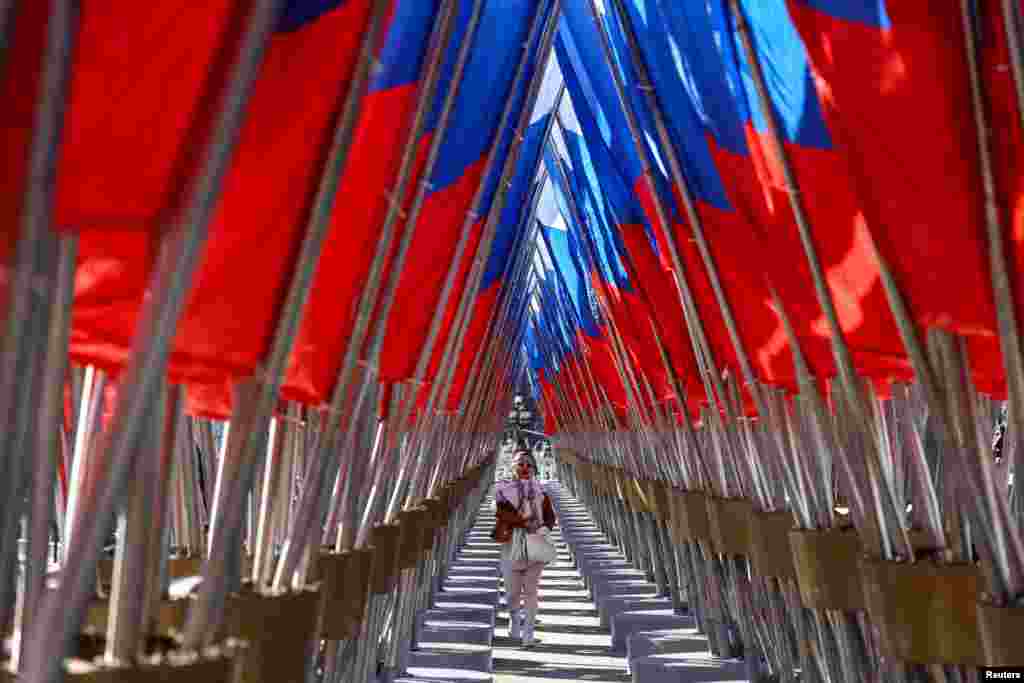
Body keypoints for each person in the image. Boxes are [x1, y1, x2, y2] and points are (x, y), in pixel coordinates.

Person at [494, 450, 556, 648]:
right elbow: (501, 514)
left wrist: (544, 528)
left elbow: (549, 517)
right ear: (513, 466)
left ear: (534, 468)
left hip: (535, 544)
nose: (525, 468)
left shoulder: (541, 492)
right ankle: (514, 617)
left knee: (531, 590)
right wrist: (522, 521)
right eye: (521, 464)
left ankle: (528, 631)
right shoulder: (503, 490)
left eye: (529, 464)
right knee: (512, 591)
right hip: (512, 544)